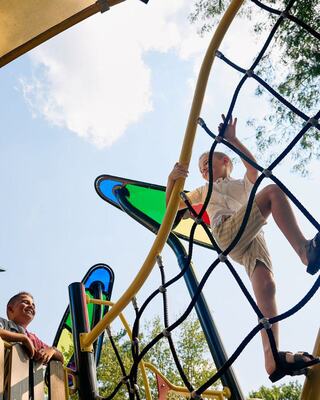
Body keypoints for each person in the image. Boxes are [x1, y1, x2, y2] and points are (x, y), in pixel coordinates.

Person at [166, 114, 320, 382]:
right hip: (226, 231)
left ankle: (272, 359)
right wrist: (171, 181)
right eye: (201, 168)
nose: (203, 170)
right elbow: (172, 208)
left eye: (207, 163)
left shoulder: (241, 185)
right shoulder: (203, 191)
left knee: (267, 286)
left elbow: (254, 171)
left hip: (252, 233)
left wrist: (233, 140)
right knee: (272, 193)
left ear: (225, 161)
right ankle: (305, 251)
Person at [0, 291, 63, 364]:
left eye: (33, 305)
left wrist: (52, 350)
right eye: (26, 302)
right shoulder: (4, 323)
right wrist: (23, 338)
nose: (31, 306)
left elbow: (61, 359)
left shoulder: (33, 339)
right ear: (10, 309)